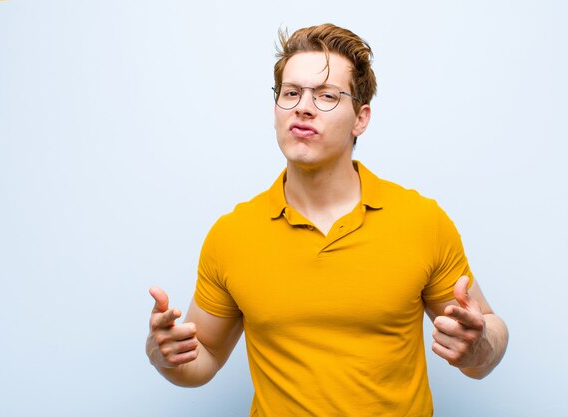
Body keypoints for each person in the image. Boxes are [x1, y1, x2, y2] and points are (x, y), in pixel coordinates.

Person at [145, 23, 508, 417]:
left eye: (327, 96)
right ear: (276, 108)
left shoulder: (422, 221)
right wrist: (166, 358)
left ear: (360, 118)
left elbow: (486, 332)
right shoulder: (231, 235)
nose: (303, 106)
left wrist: (480, 344)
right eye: (291, 93)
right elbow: (207, 355)